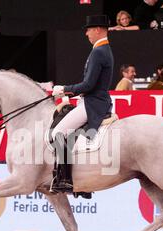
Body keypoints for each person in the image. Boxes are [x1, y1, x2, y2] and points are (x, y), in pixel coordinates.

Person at [50, 15, 114, 193]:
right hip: (94, 100)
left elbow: (88, 85)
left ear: (98, 29)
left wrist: (64, 89)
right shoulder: (103, 49)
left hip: (93, 103)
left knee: (58, 132)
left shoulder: (99, 52)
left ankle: (65, 180)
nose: (86, 33)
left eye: (89, 29)